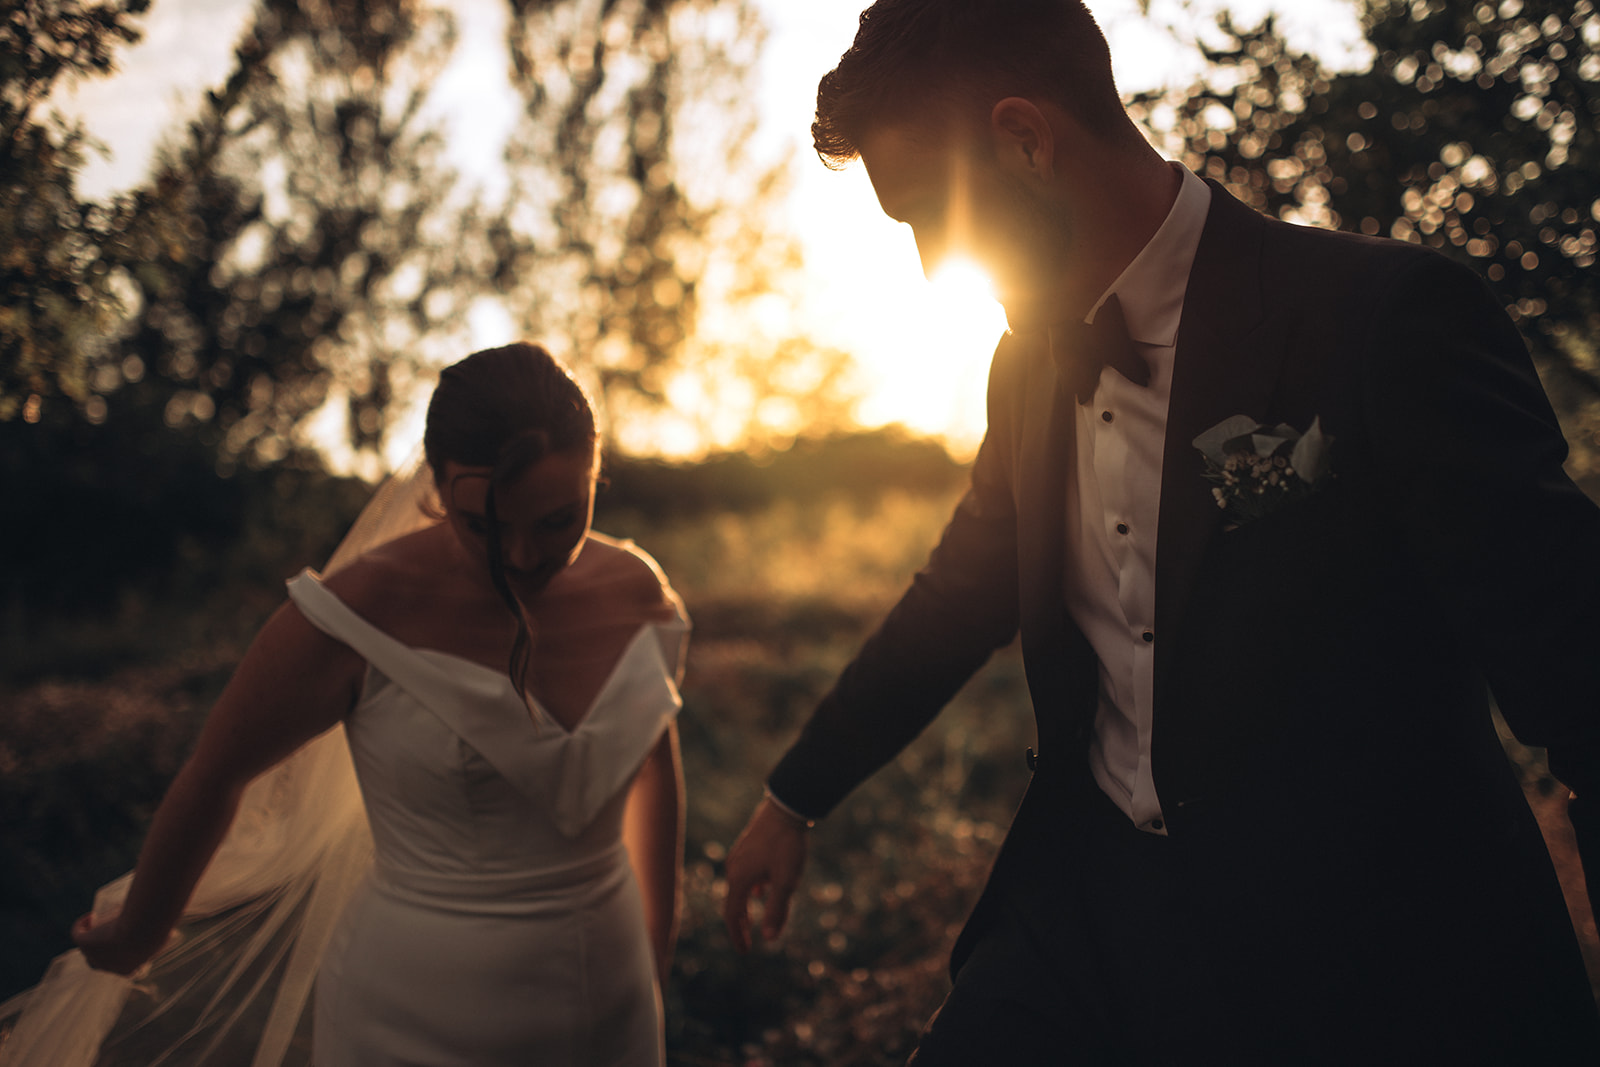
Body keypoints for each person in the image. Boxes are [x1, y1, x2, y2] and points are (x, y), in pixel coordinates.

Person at [722, 1, 1600, 1063]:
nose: (928, 265)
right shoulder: (1023, 365)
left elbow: (1578, 670)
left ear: (1026, 139)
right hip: (1091, 915)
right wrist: (794, 795)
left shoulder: (1385, 319)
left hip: (1364, 943)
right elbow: (962, 590)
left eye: (926, 216)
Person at [22, 342, 687, 1066]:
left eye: (559, 520)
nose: (522, 557)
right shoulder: (351, 615)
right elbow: (216, 774)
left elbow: (653, 768)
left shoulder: (637, 592)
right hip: (419, 1015)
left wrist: (654, 954)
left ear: (595, 472)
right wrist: (141, 932)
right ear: (436, 486)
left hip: (612, 994)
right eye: (485, 526)